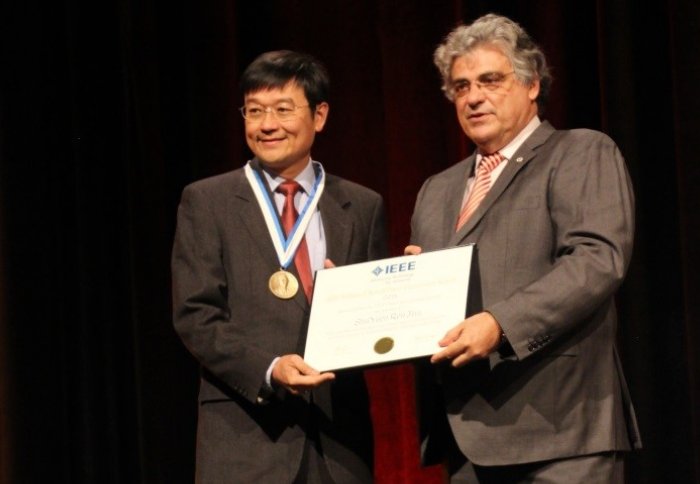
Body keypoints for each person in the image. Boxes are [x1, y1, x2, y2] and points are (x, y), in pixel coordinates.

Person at [406, 14, 642, 483]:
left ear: (532, 84)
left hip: (560, 431)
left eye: (491, 80)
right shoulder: (437, 188)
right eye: (461, 86)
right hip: (468, 436)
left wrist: (500, 324)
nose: (473, 97)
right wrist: (380, 293)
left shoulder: (580, 152)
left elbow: (597, 261)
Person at [172, 50, 387, 483]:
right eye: (254, 112)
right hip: (247, 438)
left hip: (338, 444)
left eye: (283, 110)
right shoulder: (208, 202)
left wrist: (403, 289)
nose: (267, 124)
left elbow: (376, 321)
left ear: (320, 115)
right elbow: (196, 315)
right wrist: (270, 369)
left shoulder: (361, 206)